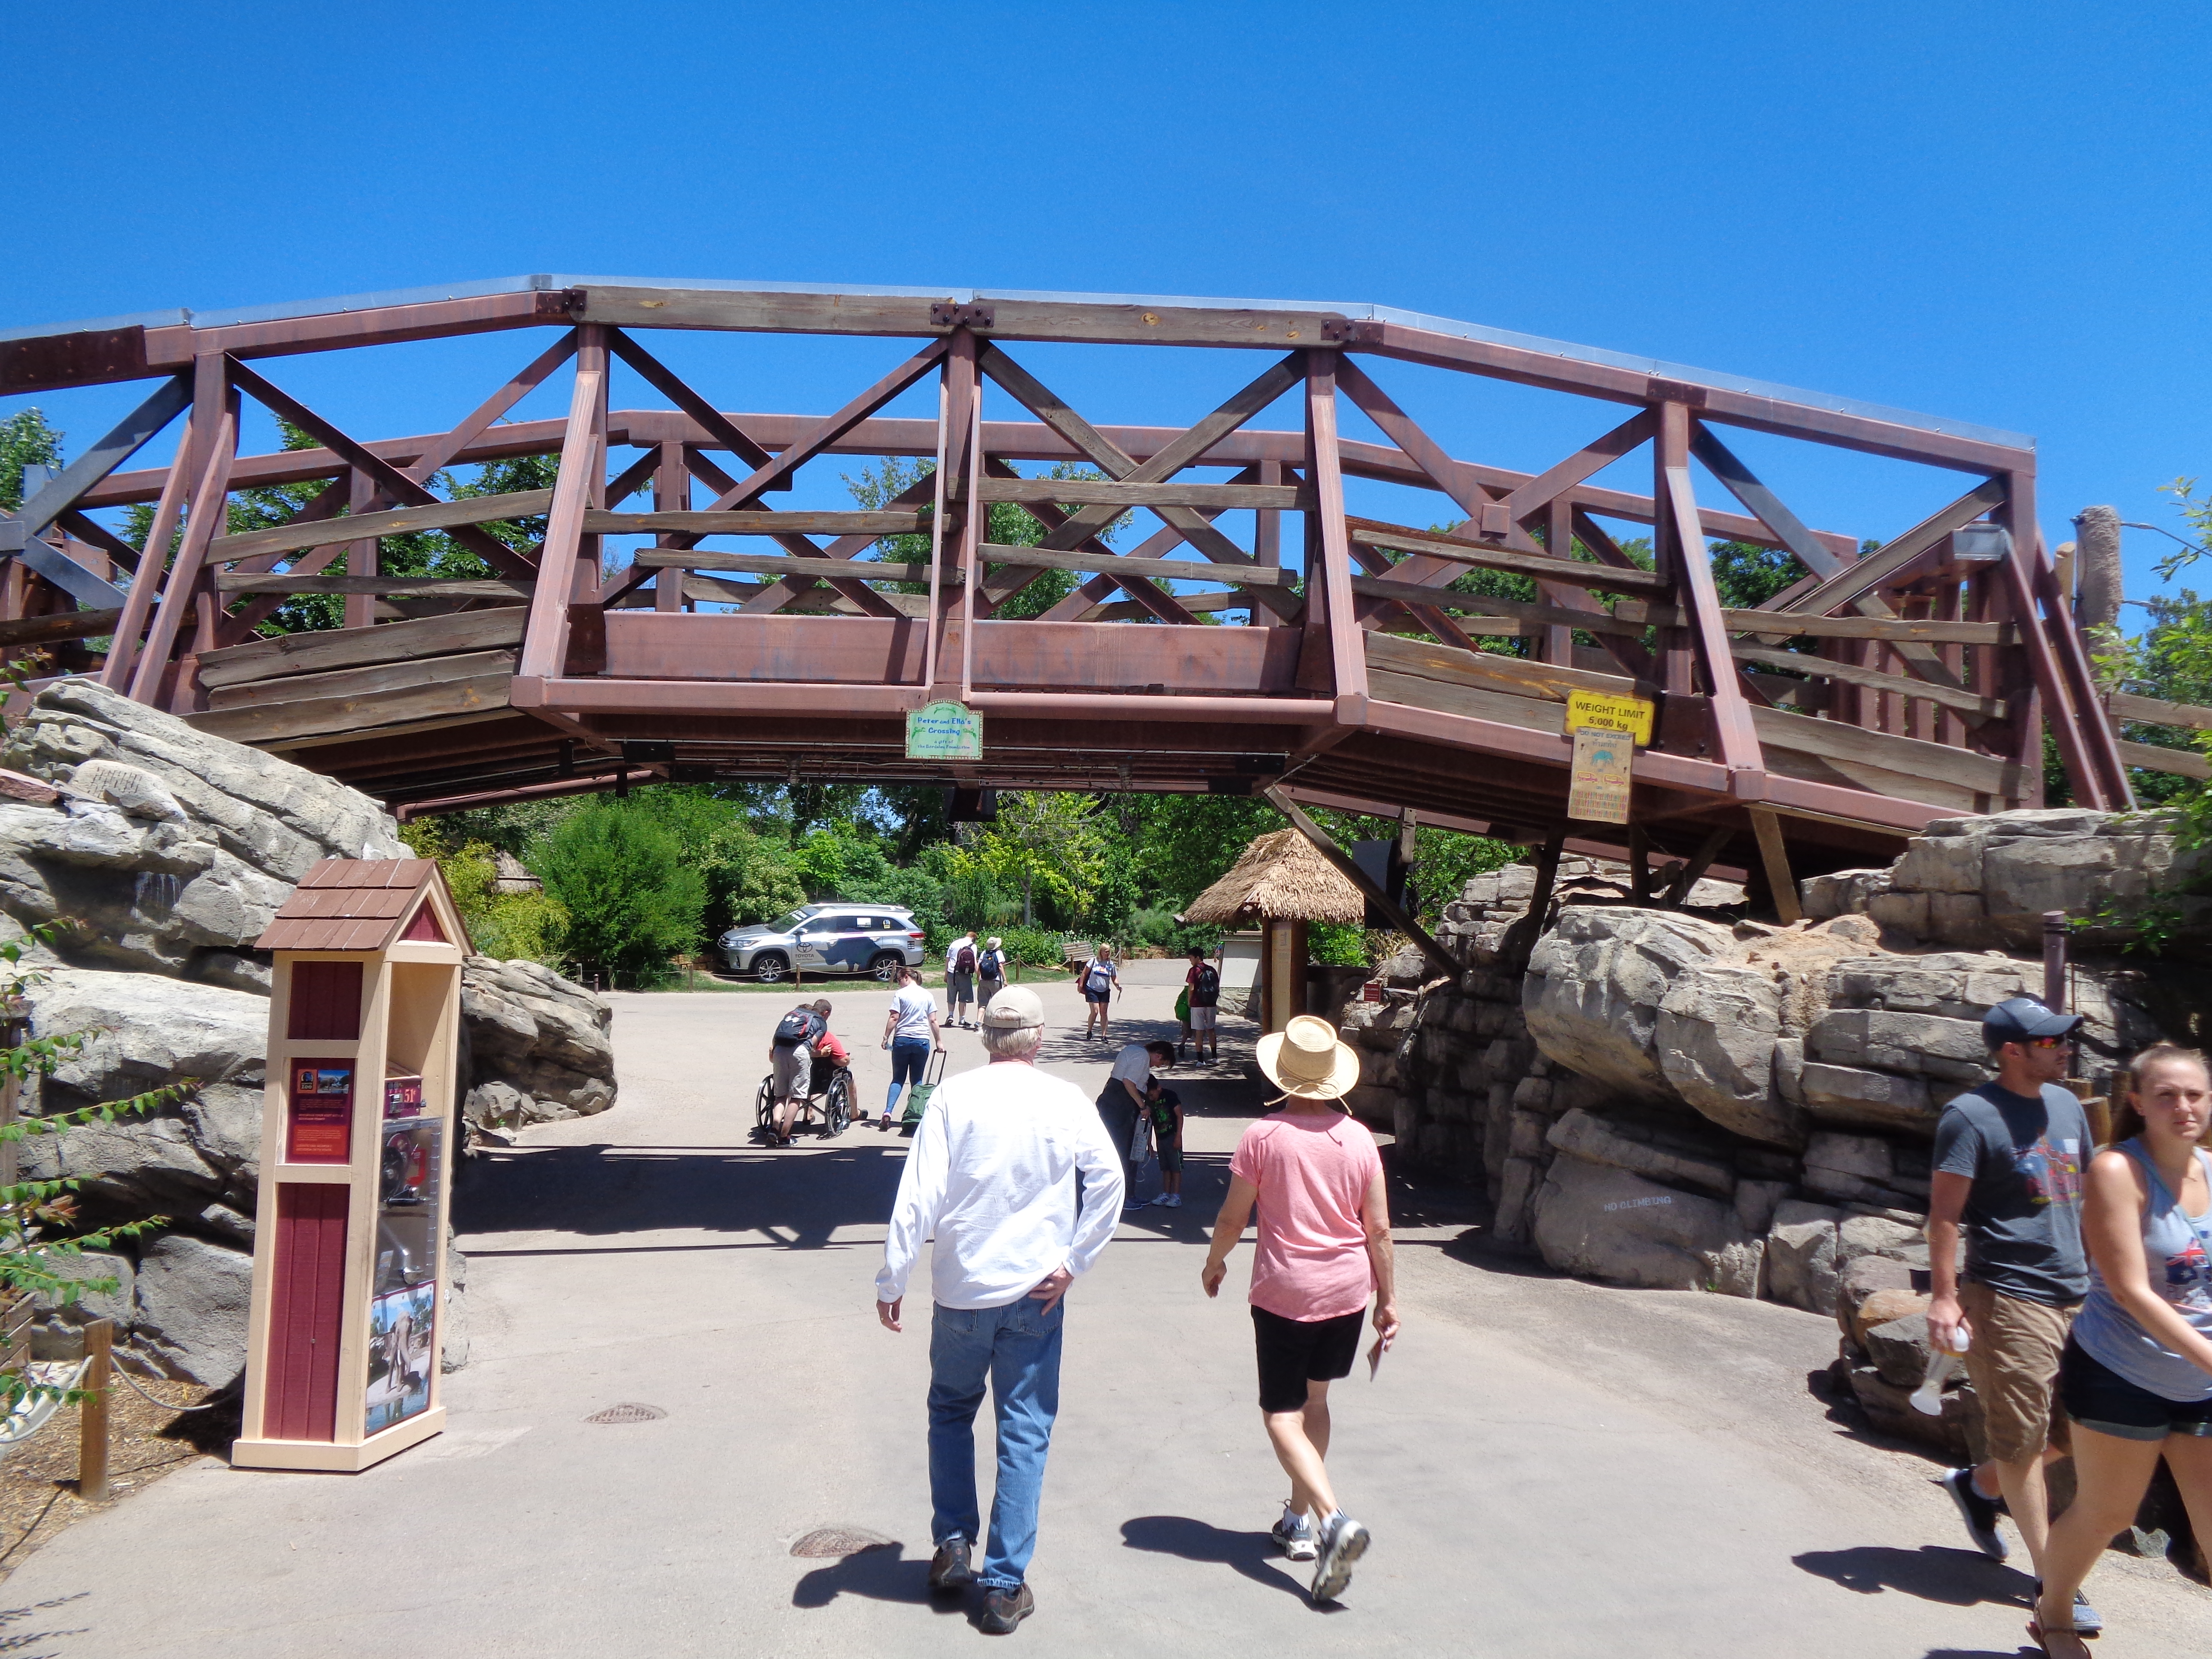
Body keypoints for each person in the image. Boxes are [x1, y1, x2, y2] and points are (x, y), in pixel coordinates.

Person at [876, 985, 1126, 1635]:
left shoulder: (955, 1096)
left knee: (952, 1412)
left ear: (986, 1037)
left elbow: (919, 1192)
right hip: (1036, 1294)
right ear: (1038, 1038)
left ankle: (954, 1545)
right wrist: (1075, 1261)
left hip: (962, 1291)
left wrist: (893, 1274)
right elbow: (1110, 1180)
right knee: (1024, 1430)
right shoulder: (1066, 1100)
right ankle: (1003, 1583)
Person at [1201, 1014, 1397, 1605]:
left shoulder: (1264, 1136)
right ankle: (1298, 1520)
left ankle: (1334, 1520)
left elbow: (1235, 1217)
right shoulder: (1360, 1138)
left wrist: (1215, 1261)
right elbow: (1380, 1229)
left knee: (1281, 1415)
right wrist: (1388, 1300)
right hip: (1346, 1292)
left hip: (1287, 1291)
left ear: (1283, 1075)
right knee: (1316, 1402)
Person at [2028, 1045, 2212, 1657]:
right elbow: (2132, 1291)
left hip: (2201, 1384)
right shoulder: (2116, 1172)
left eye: (2194, 1095)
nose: (2183, 1106)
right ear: (2138, 1102)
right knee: (2108, 1513)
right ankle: (2054, 1611)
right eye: (2167, 1095)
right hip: (2120, 1371)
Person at [1928, 996, 2095, 1623]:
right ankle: (2055, 1578)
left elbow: (2084, 1200)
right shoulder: (1970, 1117)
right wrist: (1946, 1299)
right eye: (2051, 1043)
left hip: (2077, 1289)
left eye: (2061, 1040)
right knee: (2023, 1438)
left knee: (2081, 1428)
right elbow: (1944, 1215)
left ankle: (1979, 1486)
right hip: (2007, 1294)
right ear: (2012, 1051)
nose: (2063, 1049)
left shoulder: (2068, 1106)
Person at [1097, 1040, 1176, 1210]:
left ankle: (1129, 1194)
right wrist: (1142, 1106)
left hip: (1114, 1100)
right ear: (1158, 1055)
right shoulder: (1142, 1057)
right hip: (1121, 1104)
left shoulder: (1134, 1050)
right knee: (1124, 1150)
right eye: (1161, 1063)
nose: (1158, 1066)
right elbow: (1129, 1082)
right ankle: (1124, 1197)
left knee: (1126, 1149)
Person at [881, 964, 942, 1131]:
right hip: (922, 1040)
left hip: (902, 1040)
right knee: (918, 1081)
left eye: (899, 979)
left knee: (898, 1078)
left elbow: (894, 1017)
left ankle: (888, 1112)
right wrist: (939, 1042)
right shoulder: (928, 995)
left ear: (907, 977)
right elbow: (933, 1021)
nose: (899, 983)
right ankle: (915, 1114)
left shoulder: (900, 994)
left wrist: (886, 1037)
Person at [767, 999, 827, 1146]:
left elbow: (776, 1037)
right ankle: (784, 1137)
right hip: (799, 1052)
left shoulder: (791, 1014)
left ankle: (775, 1128)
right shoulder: (819, 1021)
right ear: (826, 1013)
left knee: (781, 1095)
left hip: (779, 1051)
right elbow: (812, 1042)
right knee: (796, 1097)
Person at [1146, 1081, 1185, 1209]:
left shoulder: (1170, 1096)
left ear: (1159, 1088)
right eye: (1149, 1096)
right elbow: (1150, 1123)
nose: (1151, 1098)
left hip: (1172, 1135)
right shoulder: (1149, 1102)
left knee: (1176, 1167)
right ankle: (1166, 1193)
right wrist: (1149, 1143)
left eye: (1152, 1095)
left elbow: (1179, 1116)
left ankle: (1176, 1196)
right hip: (1160, 1137)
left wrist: (1178, 1136)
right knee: (1165, 1167)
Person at [1184, 945, 1222, 1064]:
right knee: (1211, 1029)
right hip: (1211, 1004)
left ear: (1197, 957)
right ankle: (1215, 1057)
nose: (1190, 960)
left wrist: (1190, 1002)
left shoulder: (1194, 971)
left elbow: (1191, 988)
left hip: (1197, 1004)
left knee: (1199, 1031)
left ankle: (1201, 1060)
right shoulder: (1211, 970)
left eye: (1191, 958)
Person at [1079, 945, 1120, 1041]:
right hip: (1092, 989)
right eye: (1106, 952)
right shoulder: (1094, 961)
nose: (1108, 954)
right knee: (1095, 1011)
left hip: (1105, 991)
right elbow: (1084, 973)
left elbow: (1114, 978)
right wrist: (1081, 985)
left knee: (1104, 1013)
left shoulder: (1111, 964)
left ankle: (1104, 1036)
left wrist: (1118, 986)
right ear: (1101, 952)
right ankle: (1089, 1031)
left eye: (1109, 952)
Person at [946, 931, 980, 1030]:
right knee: (963, 998)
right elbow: (974, 962)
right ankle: (962, 1020)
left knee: (951, 996)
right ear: (974, 938)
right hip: (965, 974)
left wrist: (946, 974)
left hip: (952, 973)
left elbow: (947, 960)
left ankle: (951, 1016)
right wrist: (979, 975)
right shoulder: (973, 946)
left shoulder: (955, 943)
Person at [978, 936, 1009, 1009]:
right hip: (996, 980)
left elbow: (980, 966)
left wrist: (978, 976)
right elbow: (1000, 966)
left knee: (983, 1003)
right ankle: (994, 1019)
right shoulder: (999, 953)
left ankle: (979, 1020)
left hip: (983, 979)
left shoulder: (984, 953)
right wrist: (1005, 980)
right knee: (997, 1002)